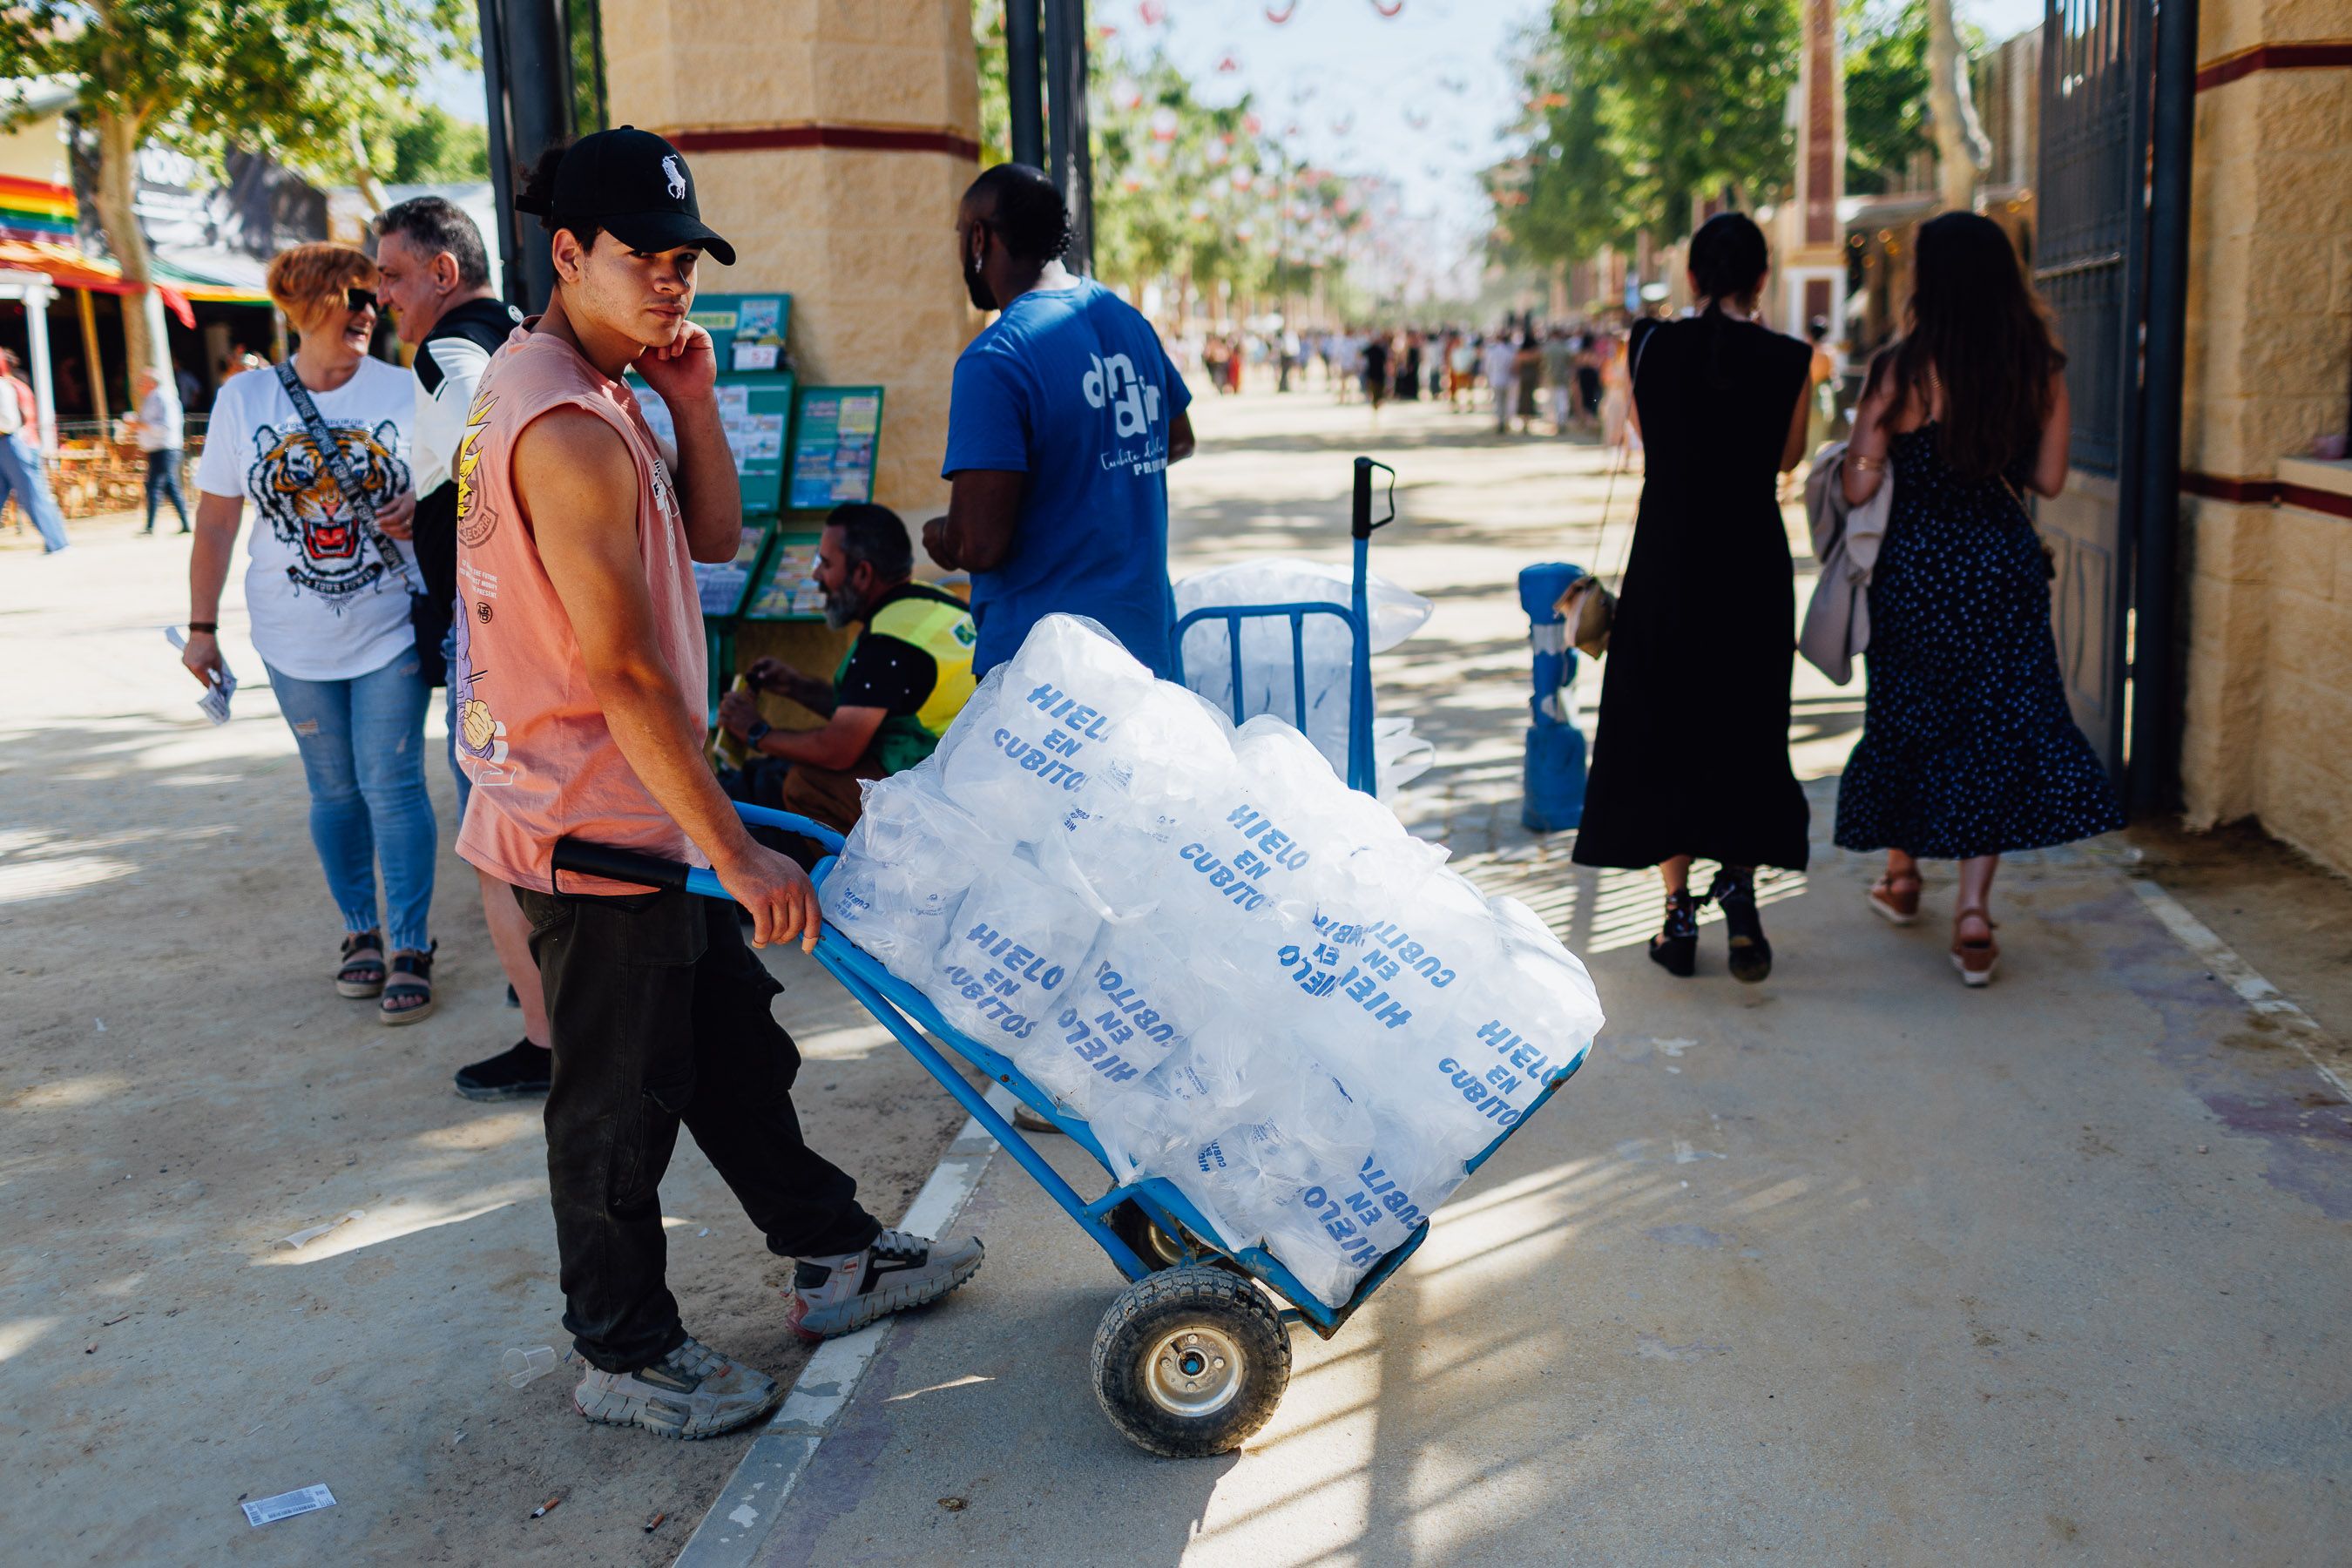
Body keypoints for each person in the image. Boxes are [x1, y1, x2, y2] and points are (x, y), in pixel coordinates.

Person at [456, 128, 982, 1439]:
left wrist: (690, 403)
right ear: (565, 253)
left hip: (649, 804)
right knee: (617, 1111)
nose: (673, 283)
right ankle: (623, 1354)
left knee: (739, 1054)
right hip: (599, 819)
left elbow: (712, 537)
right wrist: (739, 853)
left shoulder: (605, 384)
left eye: (688, 260)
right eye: (647, 259)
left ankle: (834, 1255)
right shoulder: (561, 421)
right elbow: (626, 673)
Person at [1834, 211, 2122, 985]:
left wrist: (1870, 449)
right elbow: (2051, 480)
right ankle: (1972, 916)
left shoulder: (1900, 367)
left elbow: (1860, 481)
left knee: (1908, 718)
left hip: (1915, 569)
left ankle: (1901, 879)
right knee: (1993, 730)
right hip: (1999, 566)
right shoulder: (2038, 364)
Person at [184, 244, 437, 1020]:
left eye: (372, 295)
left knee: (391, 787)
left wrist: (423, 509)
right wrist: (201, 628)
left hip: (388, 624)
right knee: (332, 791)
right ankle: (359, 932)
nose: (368, 310)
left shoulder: (406, 391)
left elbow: (467, 491)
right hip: (289, 633)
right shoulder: (246, 401)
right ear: (304, 307)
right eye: (350, 296)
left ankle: (411, 944)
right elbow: (219, 521)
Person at [1571, 213, 1815, 983]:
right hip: (1750, 562)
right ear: (1762, 280)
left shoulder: (1649, 345)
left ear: (1693, 277)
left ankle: (1678, 914)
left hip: (1669, 560)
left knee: (1666, 726)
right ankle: (1740, 897)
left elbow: (1645, 433)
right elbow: (1788, 459)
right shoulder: (1790, 359)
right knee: (1746, 725)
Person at [372, 192, 551, 1100]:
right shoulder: (523, 337)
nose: (381, 295)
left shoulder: (450, 350)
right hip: (525, 627)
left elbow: (494, 469)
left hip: (493, 633)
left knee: (498, 845)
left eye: (394, 275)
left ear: (444, 271)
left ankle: (548, 1038)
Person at [926, 162, 1197, 679]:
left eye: (962, 235)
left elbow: (978, 544)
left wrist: (944, 536)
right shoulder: (1124, 320)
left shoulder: (997, 358)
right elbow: (1178, 438)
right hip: (1144, 652)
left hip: (1047, 680)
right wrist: (1098, 472)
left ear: (980, 238)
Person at [716, 501, 977, 835]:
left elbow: (838, 749)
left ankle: (846, 879)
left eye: (825, 563)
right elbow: (871, 710)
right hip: (963, 774)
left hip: (935, 799)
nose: (816, 575)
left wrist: (756, 732)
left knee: (806, 784)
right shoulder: (933, 602)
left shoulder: (887, 644)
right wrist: (798, 687)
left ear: (863, 574)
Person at [0, 349, 68, 552]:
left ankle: (57, 543)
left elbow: (9, 422)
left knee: (33, 495)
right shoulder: (16, 385)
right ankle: (57, 542)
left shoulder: (6, 386)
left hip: (14, 443)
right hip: (17, 443)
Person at [125, 368, 191, 535]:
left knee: (154, 486)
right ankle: (184, 523)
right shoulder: (151, 399)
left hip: (165, 448)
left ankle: (150, 526)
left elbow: (165, 427)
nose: (139, 385)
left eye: (143, 381)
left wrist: (139, 425)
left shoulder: (163, 398)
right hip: (158, 449)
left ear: (152, 382)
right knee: (169, 487)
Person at [1481, 328, 1517, 434]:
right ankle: (1505, 422)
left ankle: (1500, 422)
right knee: (1507, 402)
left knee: (1498, 402)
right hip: (1507, 380)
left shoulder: (1492, 352)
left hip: (1496, 380)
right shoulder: (1510, 351)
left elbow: (1487, 367)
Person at [1543, 328, 1576, 434]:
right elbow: (1571, 362)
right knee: (1562, 401)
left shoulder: (1547, 348)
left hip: (1551, 378)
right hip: (1563, 377)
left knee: (1554, 402)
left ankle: (1557, 422)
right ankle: (1561, 422)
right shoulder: (1564, 347)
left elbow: (1544, 364)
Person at [1361, 330, 1390, 412]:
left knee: (1378, 391)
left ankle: (1376, 404)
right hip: (1374, 374)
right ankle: (1375, 405)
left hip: (1377, 374)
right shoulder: (1374, 349)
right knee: (1375, 391)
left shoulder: (1380, 350)